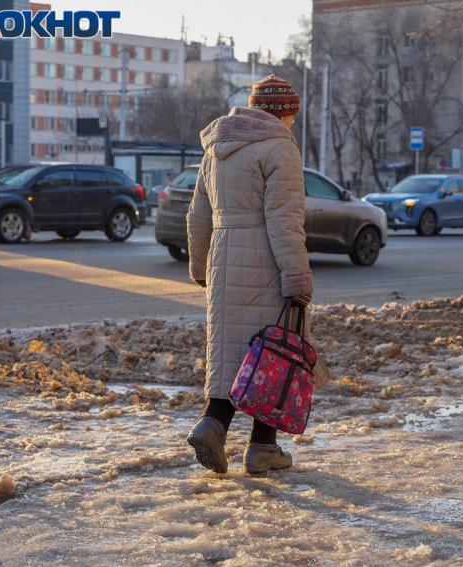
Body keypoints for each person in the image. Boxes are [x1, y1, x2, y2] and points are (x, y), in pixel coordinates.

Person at [185, 76, 313, 475]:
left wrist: (200, 265)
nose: (292, 121)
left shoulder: (216, 151)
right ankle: (262, 447)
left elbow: (197, 217)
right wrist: (297, 278)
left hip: (223, 258)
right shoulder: (280, 148)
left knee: (229, 353)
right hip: (266, 261)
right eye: (291, 114)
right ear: (282, 112)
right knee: (275, 354)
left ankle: (213, 423)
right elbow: (285, 221)